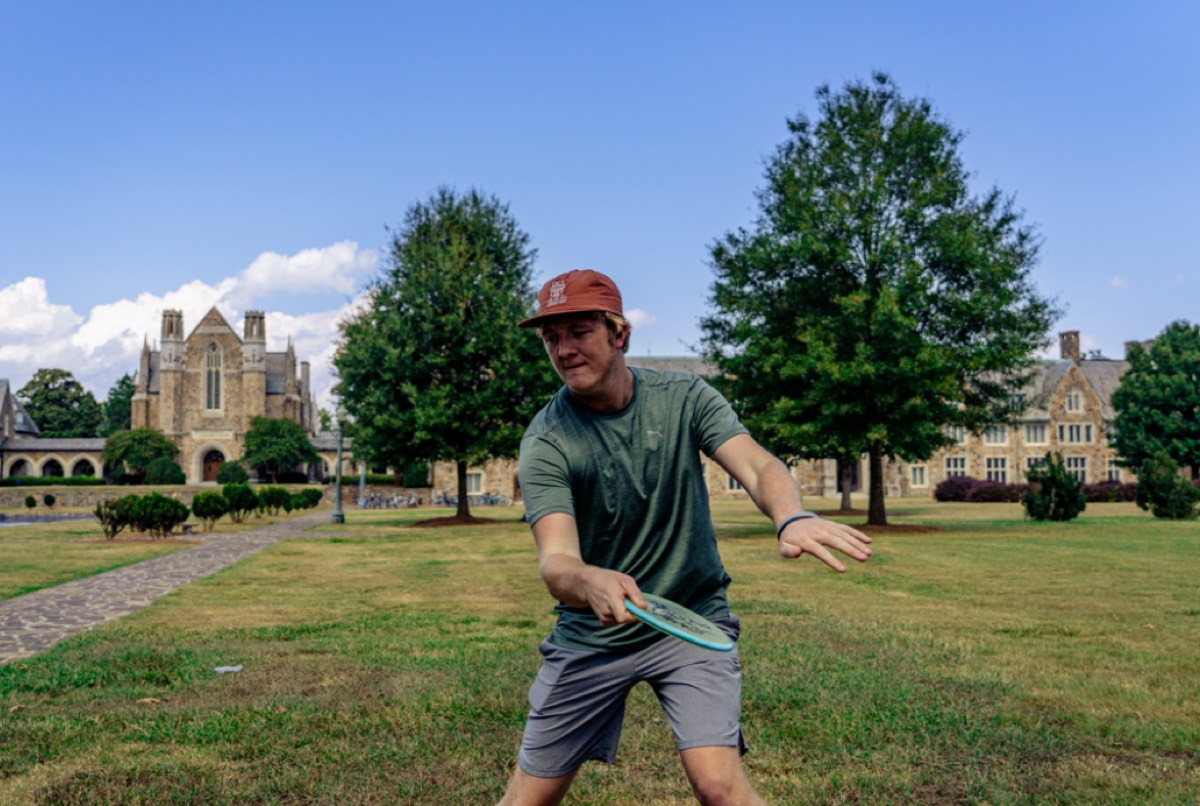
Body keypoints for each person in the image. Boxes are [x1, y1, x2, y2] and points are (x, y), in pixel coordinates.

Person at [499, 269, 872, 806]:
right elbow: (556, 561)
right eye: (551, 338)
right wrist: (589, 580)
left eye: (578, 332)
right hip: (592, 638)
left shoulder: (684, 397)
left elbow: (758, 464)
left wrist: (791, 517)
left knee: (718, 785)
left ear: (619, 334)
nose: (563, 349)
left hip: (690, 621)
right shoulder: (547, 441)